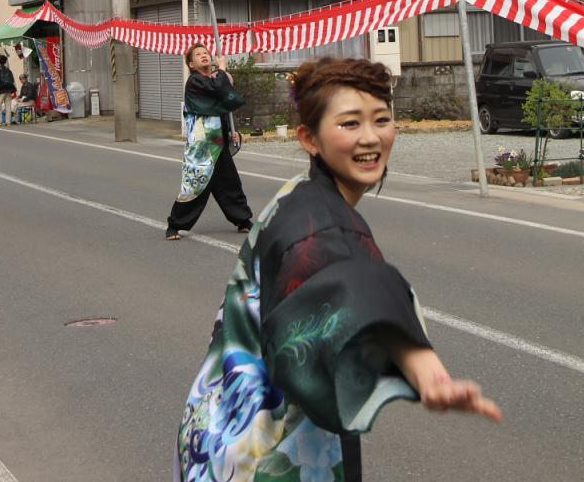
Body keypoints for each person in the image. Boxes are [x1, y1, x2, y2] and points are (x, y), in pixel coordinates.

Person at [174, 58, 501, 481]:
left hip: (215, 430)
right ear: (309, 138)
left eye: (382, 119)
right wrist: (424, 367)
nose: (370, 137)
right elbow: (349, 283)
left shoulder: (299, 193)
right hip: (263, 457)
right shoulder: (317, 223)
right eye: (349, 124)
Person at [166, 43, 253, 241]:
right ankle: (174, 225)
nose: (204, 56)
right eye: (198, 54)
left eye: (206, 52)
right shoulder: (195, 82)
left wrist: (233, 132)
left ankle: (243, 220)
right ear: (191, 63)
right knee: (195, 185)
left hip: (219, 142)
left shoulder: (212, 80)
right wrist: (222, 69)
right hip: (201, 146)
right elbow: (218, 90)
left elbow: (224, 107)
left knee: (230, 183)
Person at [0, 53, 16, 128]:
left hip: (0, 90)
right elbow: (12, 80)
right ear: (5, 62)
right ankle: (8, 122)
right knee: (8, 106)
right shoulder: (9, 70)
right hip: (8, 89)